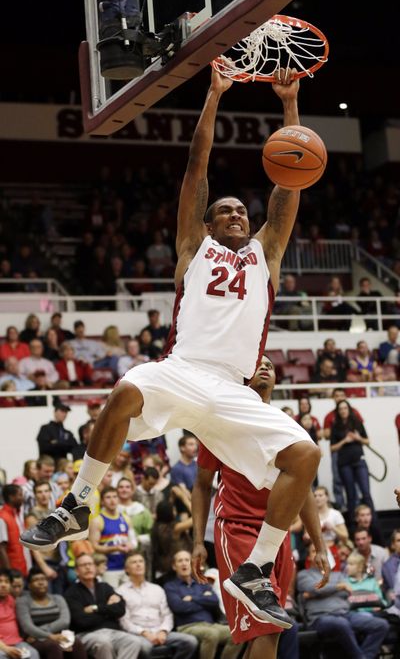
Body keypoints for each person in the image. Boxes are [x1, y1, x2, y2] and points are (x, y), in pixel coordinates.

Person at [21, 67, 321, 627]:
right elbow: (196, 168)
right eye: (225, 210)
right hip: (183, 370)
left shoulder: (266, 254)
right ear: (206, 223)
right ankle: (79, 501)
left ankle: (255, 570)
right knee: (127, 388)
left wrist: (290, 106)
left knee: (305, 456)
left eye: (242, 210)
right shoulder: (193, 249)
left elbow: (290, 181)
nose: (237, 213)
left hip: (233, 392)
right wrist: (213, 94)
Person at [191, 356, 329, 659]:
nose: (265, 367)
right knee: (266, 627)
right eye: (257, 363)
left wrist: (319, 544)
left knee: (272, 628)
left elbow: (302, 489)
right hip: (237, 529)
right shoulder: (221, 421)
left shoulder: (288, 429)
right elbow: (201, 485)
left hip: (276, 537)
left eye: (270, 364)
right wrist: (198, 542)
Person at [297, 543, 389, 659]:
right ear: (309, 557)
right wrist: (338, 587)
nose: (319, 555)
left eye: (323, 552)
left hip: (345, 614)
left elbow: (345, 593)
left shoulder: (337, 574)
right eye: (314, 551)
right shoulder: (303, 575)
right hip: (320, 618)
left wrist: (318, 593)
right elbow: (315, 589)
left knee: (381, 625)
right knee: (341, 623)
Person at [117, 552, 198, 658]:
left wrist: (163, 631)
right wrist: (145, 633)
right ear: (127, 569)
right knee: (145, 647)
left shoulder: (157, 589)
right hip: (136, 634)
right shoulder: (121, 591)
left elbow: (167, 614)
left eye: (141, 561)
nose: (138, 564)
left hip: (159, 631)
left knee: (190, 641)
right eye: (134, 562)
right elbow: (124, 621)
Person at [165, 550, 243, 659]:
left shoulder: (200, 582)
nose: (184, 563)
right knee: (211, 634)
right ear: (174, 566)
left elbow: (214, 601)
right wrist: (204, 600)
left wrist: (192, 598)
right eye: (180, 561)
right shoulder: (170, 586)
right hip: (187, 626)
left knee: (237, 633)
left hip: (210, 624)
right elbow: (179, 607)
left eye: (187, 560)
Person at [64, 553, 142, 659]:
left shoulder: (105, 587)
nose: (88, 567)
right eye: (83, 565)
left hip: (112, 632)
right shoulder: (71, 593)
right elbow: (81, 621)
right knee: (103, 643)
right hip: (86, 634)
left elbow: (120, 609)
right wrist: (107, 610)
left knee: (134, 641)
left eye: (90, 564)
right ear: (77, 571)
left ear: (95, 568)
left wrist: (96, 608)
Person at [16, 567, 87, 659]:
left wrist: (41, 633)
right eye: (36, 580)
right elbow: (27, 627)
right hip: (35, 640)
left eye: (43, 579)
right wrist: (50, 636)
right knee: (53, 646)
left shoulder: (58, 598)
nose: (41, 582)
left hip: (43, 635)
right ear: (29, 585)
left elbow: (64, 622)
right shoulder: (23, 601)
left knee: (76, 643)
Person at [330, 400, 376, 523]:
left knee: (366, 493)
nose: (343, 410)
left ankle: (374, 524)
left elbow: (367, 441)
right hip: (344, 463)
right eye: (341, 409)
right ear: (338, 411)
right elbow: (332, 448)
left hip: (359, 461)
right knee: (351, 495)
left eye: (345, 408)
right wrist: (345, 440)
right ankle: (353, 526)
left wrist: (357, 437)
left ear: (349, 409)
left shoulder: (357, 422)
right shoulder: (335, 426)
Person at [0, 568, 40, 659]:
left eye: (6, 582)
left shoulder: (12, 600)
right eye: (0, 581)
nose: (3, 585)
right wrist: (6, 648)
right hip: (1, 646)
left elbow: (22, 621)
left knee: (33, 653)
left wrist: (28, 635)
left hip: (17, 642)